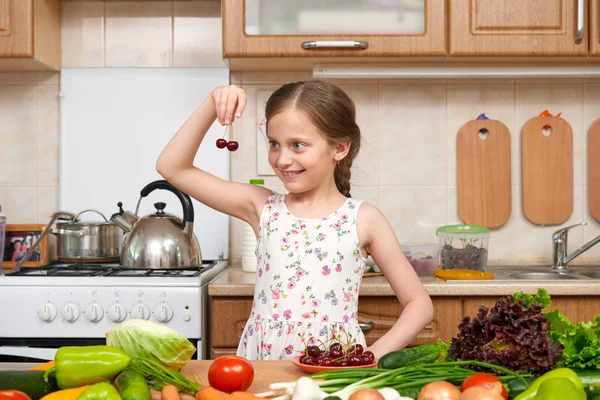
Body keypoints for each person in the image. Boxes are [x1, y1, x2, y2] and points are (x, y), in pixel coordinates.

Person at [156, 80, 434, 361]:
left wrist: (374, 354)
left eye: (298, 145)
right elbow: (172, 166)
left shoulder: (364, 219)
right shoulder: (261, 207)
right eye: (274, 144)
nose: (283, 159)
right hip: (264, 365)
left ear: (340, 148)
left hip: (333, 369)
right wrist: (212, 103)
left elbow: (419, 305)